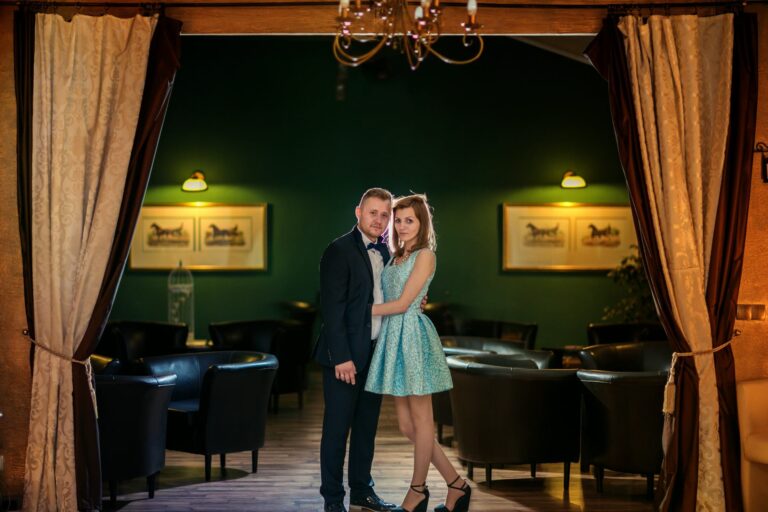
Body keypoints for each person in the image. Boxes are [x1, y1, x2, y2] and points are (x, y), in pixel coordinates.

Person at [365, 194, 471, 512]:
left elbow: (401, 305)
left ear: (422, 222)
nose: (401, 225)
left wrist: (360, 311)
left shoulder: (425, 255)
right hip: (392, 338)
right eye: (398, 220)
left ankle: (418, 490)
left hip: (411, 335)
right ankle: (457, 485)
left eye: (409, 220)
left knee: (423, 420)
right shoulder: (395, 255)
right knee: (407, 427)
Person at [314, 188, 398, 512]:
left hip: (375, 354)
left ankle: (362, 492)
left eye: (384, 214)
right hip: (344, 358)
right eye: (373, 212)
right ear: (358, 212)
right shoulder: (338, 250)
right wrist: (342, 357)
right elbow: (332, 311)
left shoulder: (388, 253)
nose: (379, 219)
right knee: (336, 432)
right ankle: (333, 501)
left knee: (366, 429)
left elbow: (384, 302)